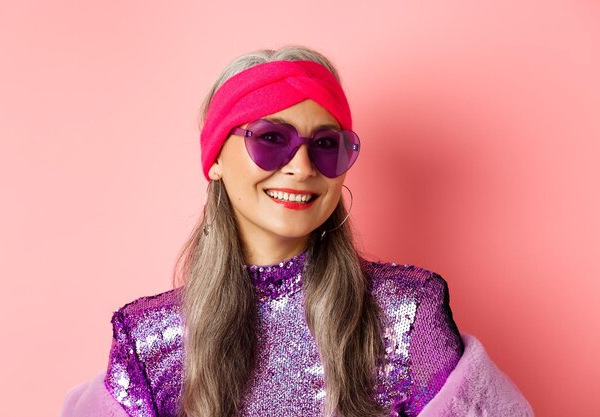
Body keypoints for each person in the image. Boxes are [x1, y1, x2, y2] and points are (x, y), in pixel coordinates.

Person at [61, 46, 533, 417]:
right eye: (271, 139)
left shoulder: (409, 311)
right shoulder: (146, 341)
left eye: (326, 145)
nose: (302, 167)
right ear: (216, 160)